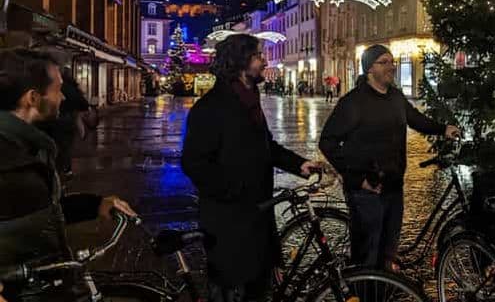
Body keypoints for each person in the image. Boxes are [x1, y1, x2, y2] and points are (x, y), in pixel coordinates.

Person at [181, 34, 322, 302]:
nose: (264, 61)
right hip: (229, 225)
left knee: (258, 289)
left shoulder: (249, 100)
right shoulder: (212, 107)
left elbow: (266, 146)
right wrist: (234, 191)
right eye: (258, 56)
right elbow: (194, 163)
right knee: (233, 291)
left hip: (257, 216)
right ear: (241, 62)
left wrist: (299, 164)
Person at [0, 48, 136, 302]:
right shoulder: (8, 152)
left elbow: (40, 210)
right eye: (57, 89)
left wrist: (95, 204)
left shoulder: (33, 147)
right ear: (33, 98)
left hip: (43, 286)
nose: (63, 97)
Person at [319, 44, 460, 270]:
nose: (391, 67)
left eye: (392, 62)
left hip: (394, 186)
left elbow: (415, 119)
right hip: (367, 190)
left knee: (387, 253)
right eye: (383, 62)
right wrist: (356, 178)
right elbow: (328, 141)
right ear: (369, 69)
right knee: (367, 256)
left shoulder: (395, 97)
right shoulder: (354, 102)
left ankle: (382, 291)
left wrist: (443, 129)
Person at [37, 67, 90, 179]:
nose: (62, 97)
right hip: (67, 122)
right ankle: (65, 170)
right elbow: (83, 104)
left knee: (50, 146)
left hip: (49, 122)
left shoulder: (49, 86)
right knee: (65, 147)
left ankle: (52, 170)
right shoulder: (72, 88)